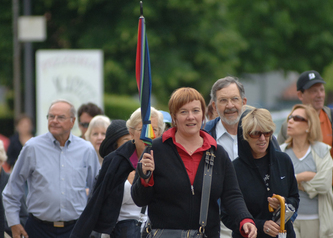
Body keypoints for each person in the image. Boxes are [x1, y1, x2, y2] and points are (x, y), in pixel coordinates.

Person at [131, 87, 257, 238]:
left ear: (203, 114)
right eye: (183, 112)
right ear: (174, 117)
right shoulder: (155, 150)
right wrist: (145, 178)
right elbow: (139, 200)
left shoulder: (218, 153)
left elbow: (232, 195)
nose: (191, 117)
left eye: (196, 111)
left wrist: (245, 219)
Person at [2, 99, 100, 238]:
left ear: (72, 122)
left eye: (60, 117)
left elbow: (96, 191)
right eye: (51, 116)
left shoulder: (86, 150)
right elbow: (12, 189)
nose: (54, 120)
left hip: (76, 229)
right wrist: (14, 223)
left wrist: (90, 224)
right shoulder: (32, 147)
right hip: (37, 229)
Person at [277, 71, 333, 237]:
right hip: (296, 198)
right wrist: (301, 179)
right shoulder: (288, 125)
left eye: (321, 90)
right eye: (313, 91)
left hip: (332, 193)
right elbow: (279, 162)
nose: (319, 95)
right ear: (300, 94)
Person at [70, 108, 164, 238]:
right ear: (131, 133)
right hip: (121, 231)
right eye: (142, 129)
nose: (148, 134)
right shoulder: (115, 161)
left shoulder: (166, 159)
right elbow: (96, 202)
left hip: (157, 230)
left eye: (155, 129)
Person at [221, 108, 299, 238]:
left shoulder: (283, 160)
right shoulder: (234, 169)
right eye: (255, 134)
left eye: (267, 133)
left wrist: (283, 204)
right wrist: (260, 225)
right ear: (245, 135)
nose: (262, 138)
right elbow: (226, 215)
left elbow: (295, 198)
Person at [280, 104, 333, 238]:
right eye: (290, 117)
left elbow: (324, 184)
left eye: (297, 118)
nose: (290, 121)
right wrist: (304, 176)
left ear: (309, 126)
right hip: (287, 220)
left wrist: (293, 182)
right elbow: (278, 185)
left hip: (316, 220)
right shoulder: (281, 152)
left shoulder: (323, 150)